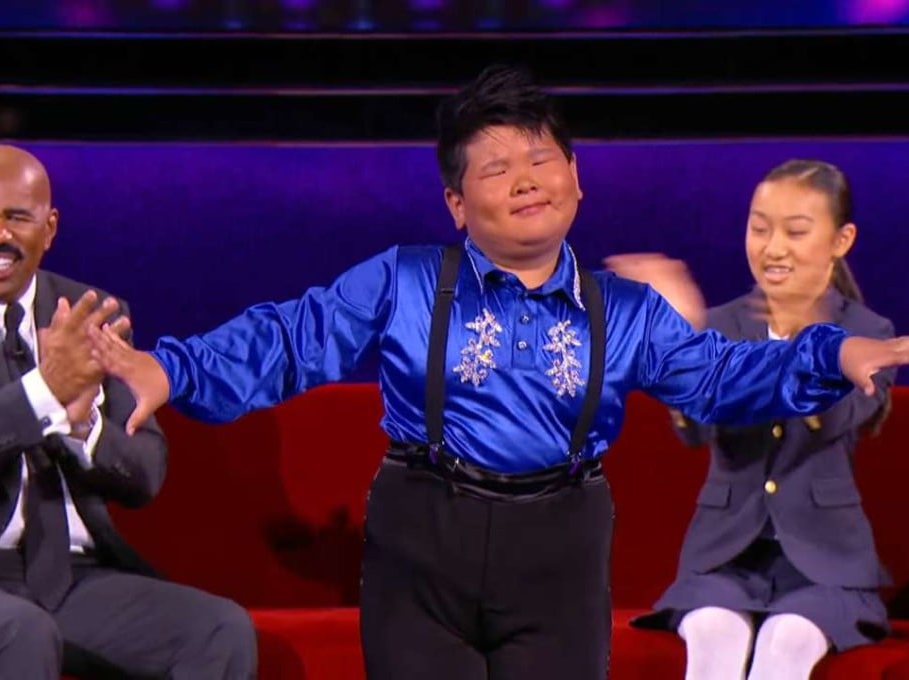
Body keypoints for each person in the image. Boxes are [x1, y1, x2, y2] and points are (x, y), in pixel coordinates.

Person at [89, 66, 909, 680]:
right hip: (423, 539)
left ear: (577, 181)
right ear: (455, 203)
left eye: (542, 160)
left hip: (561, 543)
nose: (525, 180)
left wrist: (832, 351)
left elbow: (724, 377)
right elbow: (291, 339)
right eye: (495, 167)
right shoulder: (406, 280)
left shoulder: (622, 309)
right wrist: (171, 371)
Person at [0, 144, 257, 679]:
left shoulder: (92, 312)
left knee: (219, 629)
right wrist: (43, 393)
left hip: (67, 577)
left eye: (17, 217)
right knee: (18, 630)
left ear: (50, 226)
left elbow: (145, 473)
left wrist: (85, 426)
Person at [630, 160, 895, 679]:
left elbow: (838, 418)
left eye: (796, 231)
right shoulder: (721, 326)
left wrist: (812, 342)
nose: (773, 247)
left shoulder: (867, 330)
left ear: (842, 240)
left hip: (826, 566)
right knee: (712, 633)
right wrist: (681, 348)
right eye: (759, 227)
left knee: (786, 642)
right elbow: (695, 429)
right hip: (723, 558)